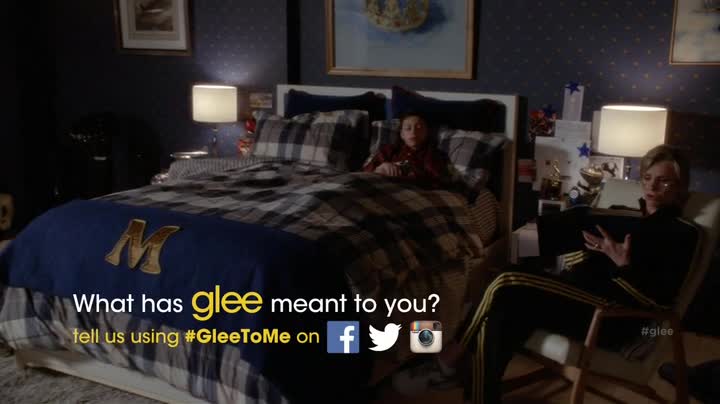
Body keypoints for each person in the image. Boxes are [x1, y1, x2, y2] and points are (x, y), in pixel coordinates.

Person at [392, 145, 700, 404]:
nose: (652, 187)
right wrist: (584, 253)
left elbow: (660, 301)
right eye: (647, 178)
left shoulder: (682, 233)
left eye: (664, 182)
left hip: (611, 316)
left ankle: (447, 360)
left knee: (506, 281)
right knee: (504, 308)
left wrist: (623, 264)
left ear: (680, 187)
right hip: (576, 296)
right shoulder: (623, 214)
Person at [363, 113, 449, 188]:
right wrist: (380, 168)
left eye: (419, 128)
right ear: (402, 134)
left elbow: (440, 181)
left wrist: (409, 175)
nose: (413, 132)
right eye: (408, 128)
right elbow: (364, 173)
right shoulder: (389, 150)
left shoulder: (433, 154)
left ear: (426, 133)